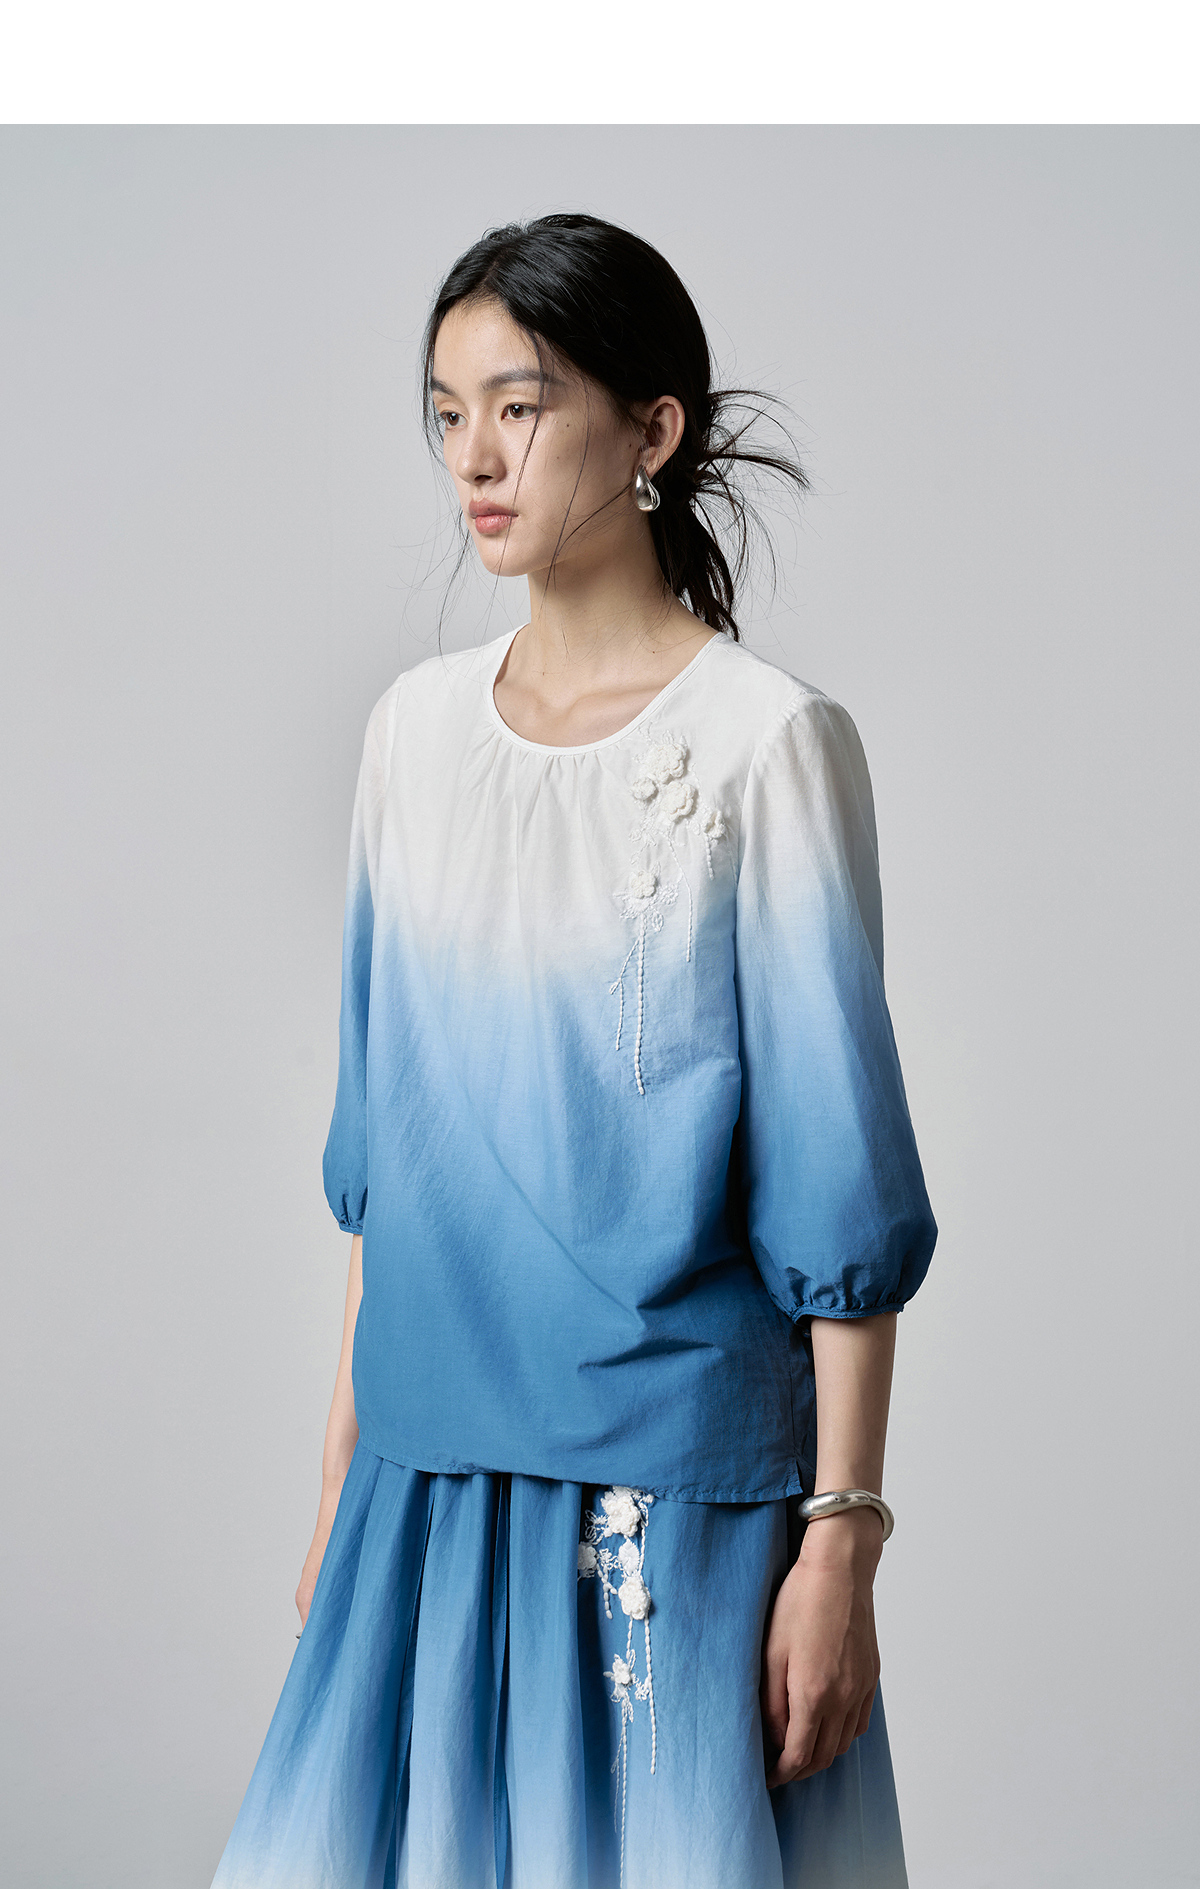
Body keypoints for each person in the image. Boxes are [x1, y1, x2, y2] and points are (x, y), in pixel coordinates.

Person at [210, 212, 937, 1889]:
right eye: (446, 412)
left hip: (666, 1512)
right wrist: (337, 1493)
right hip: (424, 1497)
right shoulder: (410, 740)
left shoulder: (766, 746)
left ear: (652, 431)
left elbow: (836, 1184)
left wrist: (842, 1539)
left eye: (521, 406)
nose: (475, 457)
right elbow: (388, 1171)